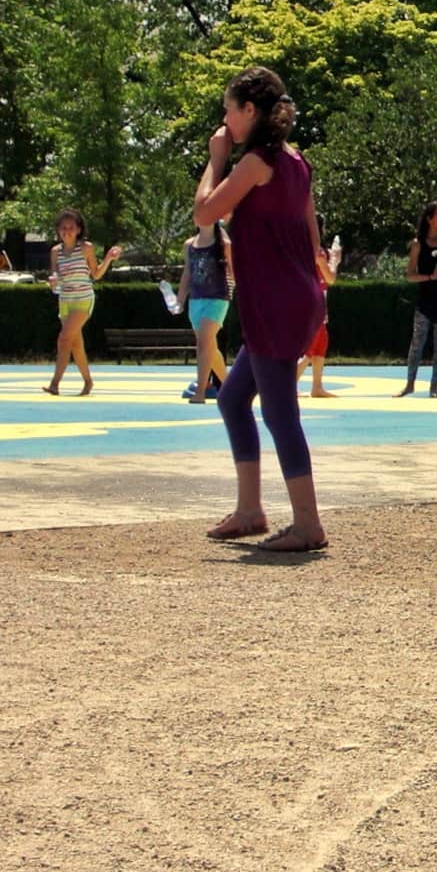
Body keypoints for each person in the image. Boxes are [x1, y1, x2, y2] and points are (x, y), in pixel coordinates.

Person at [193, 66, 329, 554]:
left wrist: (216, 159)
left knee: (279, 411)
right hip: (295, 296)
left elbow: (205, 214)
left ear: (250, 111)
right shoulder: (297, 159)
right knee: (233, 399)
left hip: (276, 301)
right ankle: (250, 510)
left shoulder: (252, 163)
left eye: (229, 110)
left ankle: (308, 523)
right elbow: (312, 236)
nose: (225, 120)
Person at [43, 209, 122, 397]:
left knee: (63, 339)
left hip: (83, 299)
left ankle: (55, 384)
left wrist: (109, 258)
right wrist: (53, 281)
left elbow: (95, 274)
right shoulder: (55, 252)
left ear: (78, 229)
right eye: (63, 227)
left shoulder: (86, 248)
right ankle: (88, 382)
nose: (66, 231)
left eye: (71, 227)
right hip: (65, 300)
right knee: (75, 345)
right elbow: (55, 277)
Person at [399, 202, 437, 399]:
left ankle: (434, 387)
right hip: (425, 301)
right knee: (417, 343)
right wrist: (430, 277)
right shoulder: (418, 244)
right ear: (429, 219)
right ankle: (410, 384)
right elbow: (410, 275)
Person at [176, 218, 232, 403]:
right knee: (209, 346)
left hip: (217, 298)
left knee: (203, 343)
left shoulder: (223, 244)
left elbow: (234, 270)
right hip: (196, 300)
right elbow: (187, 273)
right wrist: (180, 298)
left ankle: (201, 391)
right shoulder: (189, 245)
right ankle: (231, 386)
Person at [296, 221, 337, 399]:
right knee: (310, 349)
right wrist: (335, 260)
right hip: (315, 302)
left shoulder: (299, 250)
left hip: (308, 300)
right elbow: (330, 278)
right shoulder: (317, 252)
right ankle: (288, 385)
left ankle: (317, 386)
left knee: (320, 343)